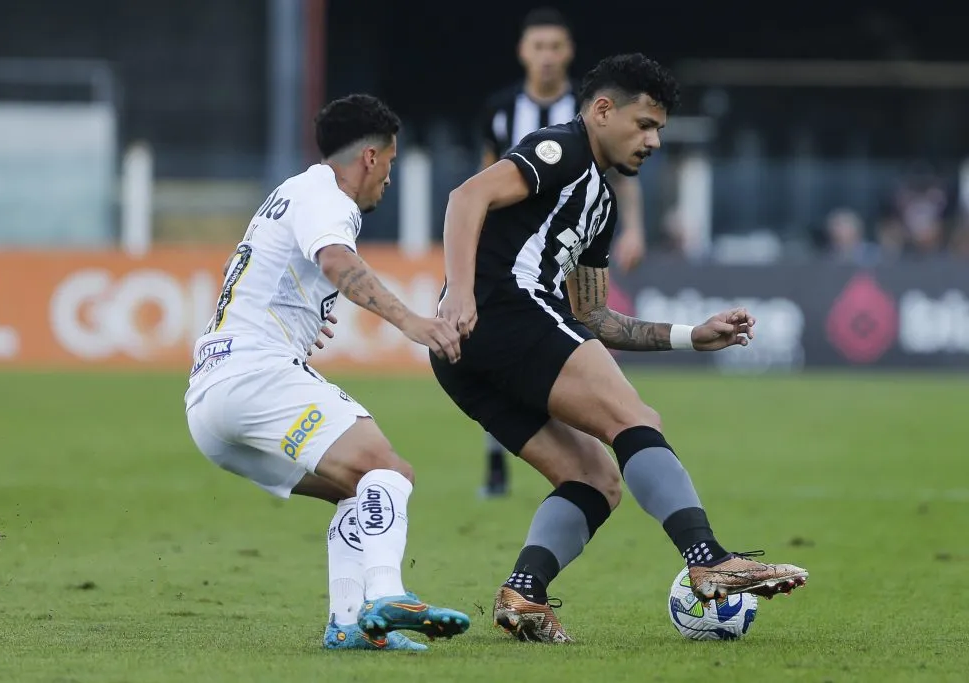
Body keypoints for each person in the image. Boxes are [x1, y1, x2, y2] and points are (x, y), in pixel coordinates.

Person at [432, 54, 808, 643]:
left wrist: (690, 337)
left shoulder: (601, 205)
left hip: (465, 358)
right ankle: (707, 558)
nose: (654, 141)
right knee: (635, 419)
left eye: (659, 129)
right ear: (603, 111)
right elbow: (465, 198)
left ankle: (523, 595)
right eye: (645, 124)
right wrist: (458, 294)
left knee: (594, 480)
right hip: (503, 312)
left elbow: (593, 318)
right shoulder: (563, 149)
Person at [185, 94, 470, 651]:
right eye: (389, 163)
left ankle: (346, 625)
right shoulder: (329, 198)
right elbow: (337, 262)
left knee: (358, 490)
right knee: (390, 471)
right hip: (254, 375)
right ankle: (387, 593)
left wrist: (294, 317)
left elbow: (239, 272)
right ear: (369, 157)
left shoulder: (287, 194)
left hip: (209, 402)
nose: (388, 178)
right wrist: (411, 321)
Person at [475, 7, 648, 497]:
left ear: (568, 52)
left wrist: (632, 228)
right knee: (518, 339)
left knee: (577, 326)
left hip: (573, 240)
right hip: (514, 255)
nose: (547, 57)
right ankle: (500, 459)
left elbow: (619, 174)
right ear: (523, 52)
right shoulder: (501, 109)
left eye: (556, 47)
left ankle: (603, 433)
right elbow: (481, 181)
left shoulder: (592, 108)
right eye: (538, 47)